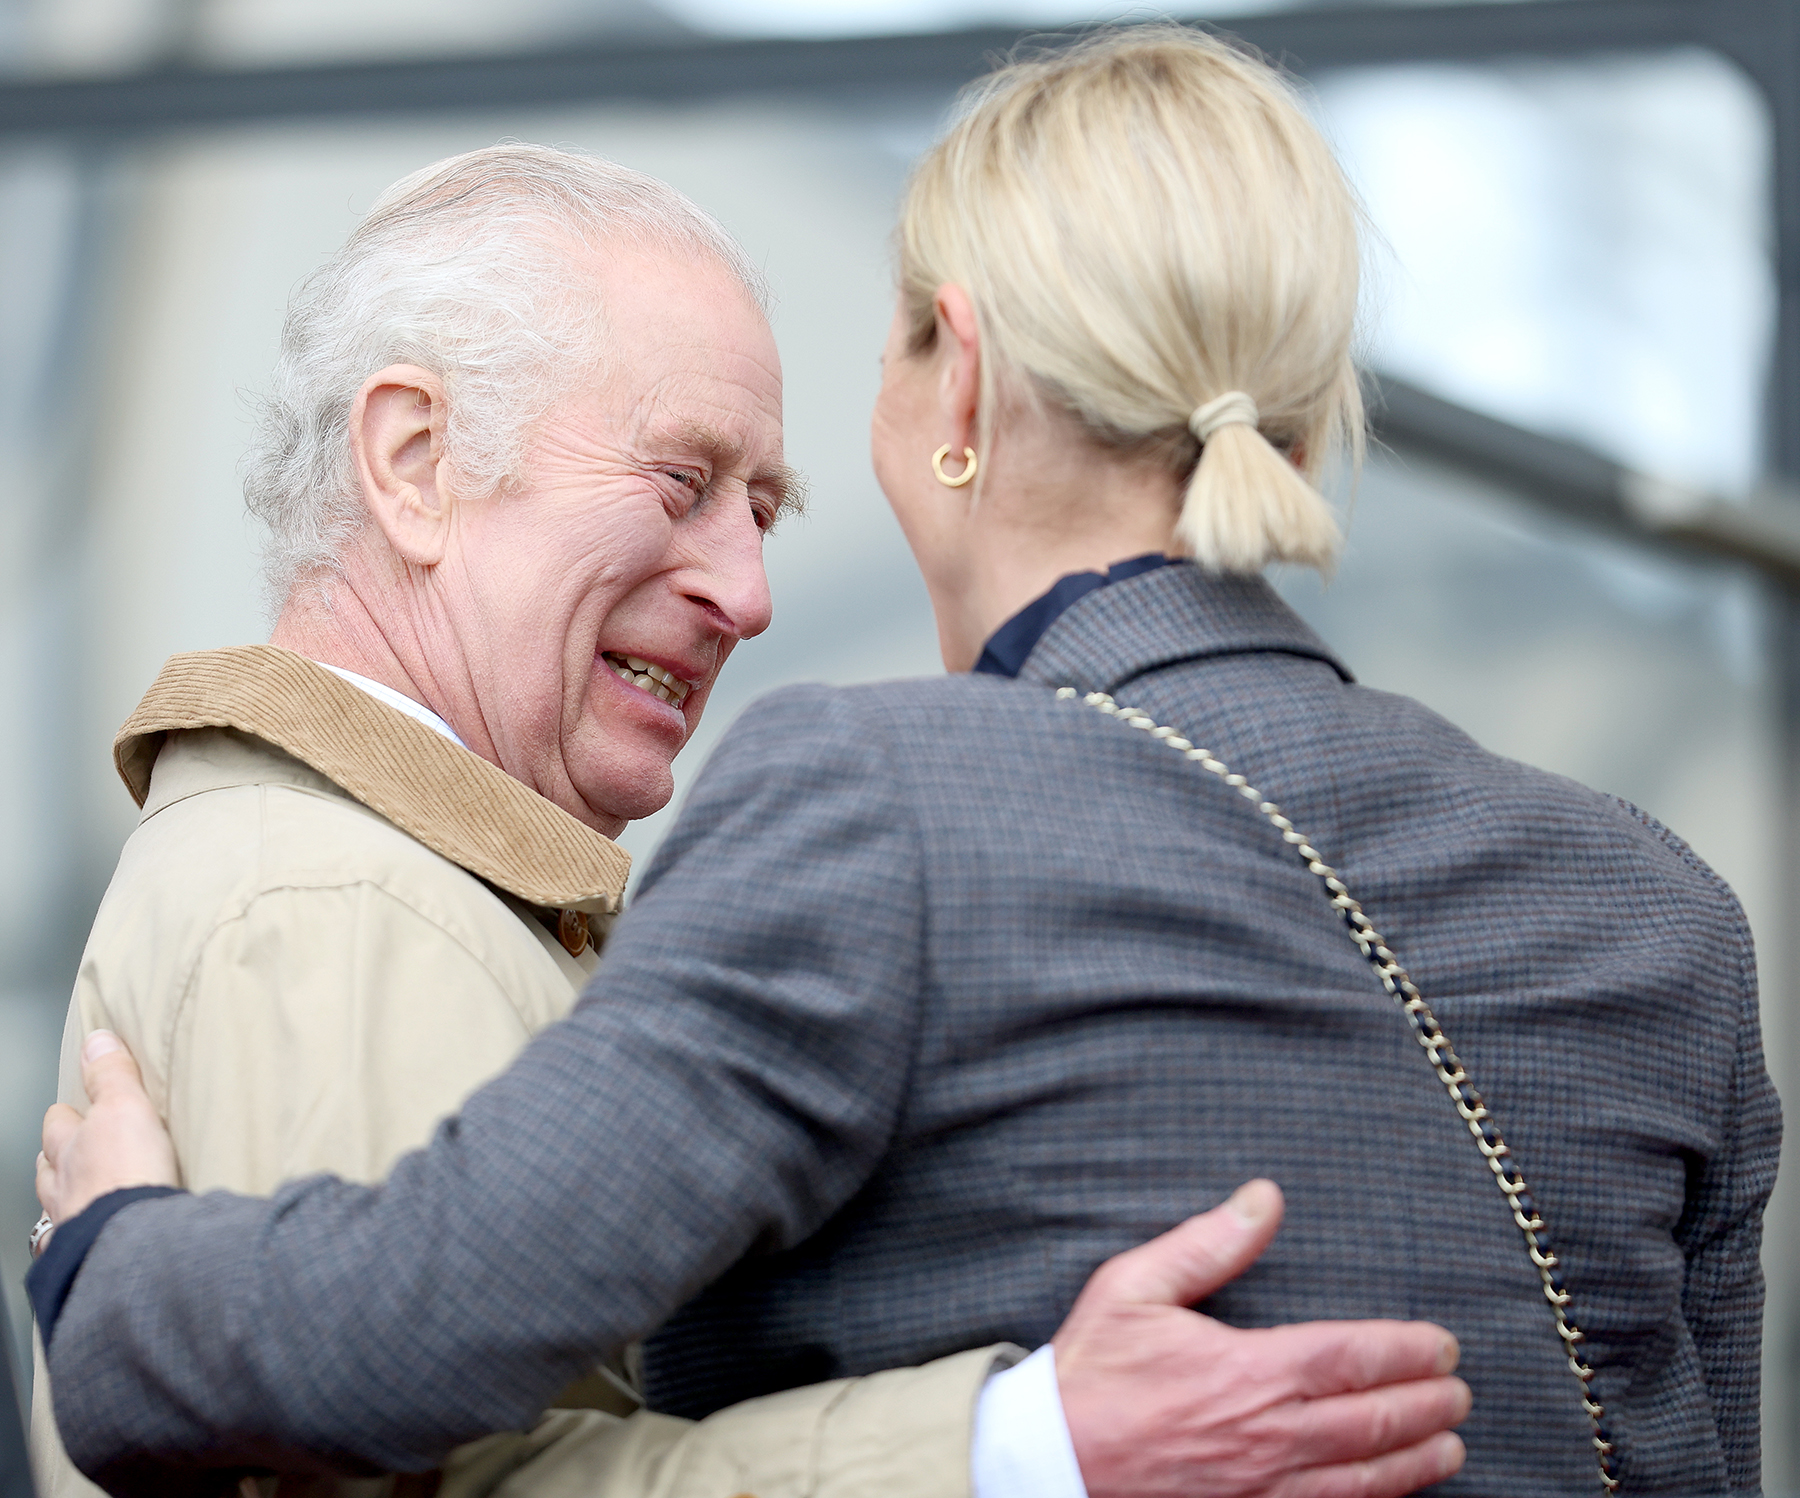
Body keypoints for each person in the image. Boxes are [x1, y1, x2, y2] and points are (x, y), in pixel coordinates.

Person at [40, 20, 1769, 1494]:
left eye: (772, 492)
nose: (756, 587)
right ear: (1307, 421)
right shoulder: (1659, 909)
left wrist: (116, 1262)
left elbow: (397, 1323)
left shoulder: (882, 812)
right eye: (686, 481)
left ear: (959, 393)